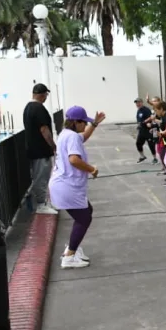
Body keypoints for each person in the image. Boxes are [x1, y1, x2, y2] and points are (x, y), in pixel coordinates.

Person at [49, 106, 106, 269]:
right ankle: (69, 256)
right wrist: (92, 169)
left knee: (87, 212)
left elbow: (84, 137)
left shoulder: (66, 134)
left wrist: (94, 124)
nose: (85, 125)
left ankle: (72, 248)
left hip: (63, 185)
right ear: (75, 122)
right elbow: (74, 159)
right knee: (84, 218)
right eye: (83, 122)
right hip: (67, 186)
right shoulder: (72, 136)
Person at [23, 83, 58, 214]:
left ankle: (42, 202)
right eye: (46, 95)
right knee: (41, 177)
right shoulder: (39, 108)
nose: (46, 97)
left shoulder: (28, 107)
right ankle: (41, 204)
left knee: (38, 176)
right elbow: (44, 129)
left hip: (33, 149)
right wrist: (52, 145)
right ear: (43, 95)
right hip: (41, 150)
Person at [134, 98, 157, 164]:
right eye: (136, 103)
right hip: (141, 130)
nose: (137, 104)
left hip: (148, 130)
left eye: (139, 102)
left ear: (142, 102)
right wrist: (139, 125)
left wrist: (145, 122)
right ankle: (142, 156)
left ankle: (155, 158)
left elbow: (151, 117)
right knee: (138, 143)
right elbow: (139, 120)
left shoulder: (146, 110)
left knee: (151, 144)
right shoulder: (139, 110)